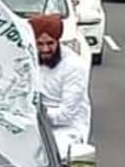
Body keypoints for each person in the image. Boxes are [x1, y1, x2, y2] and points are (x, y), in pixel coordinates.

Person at [29, 14, 90, 155]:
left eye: (50, 43)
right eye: (40, 44)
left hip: (65, 130)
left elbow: (65, 115)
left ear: (57, 41)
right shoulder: (28, 61)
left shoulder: (74, 67)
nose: (45, 49)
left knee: (50, 155)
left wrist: (34, 114)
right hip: (32, 125)